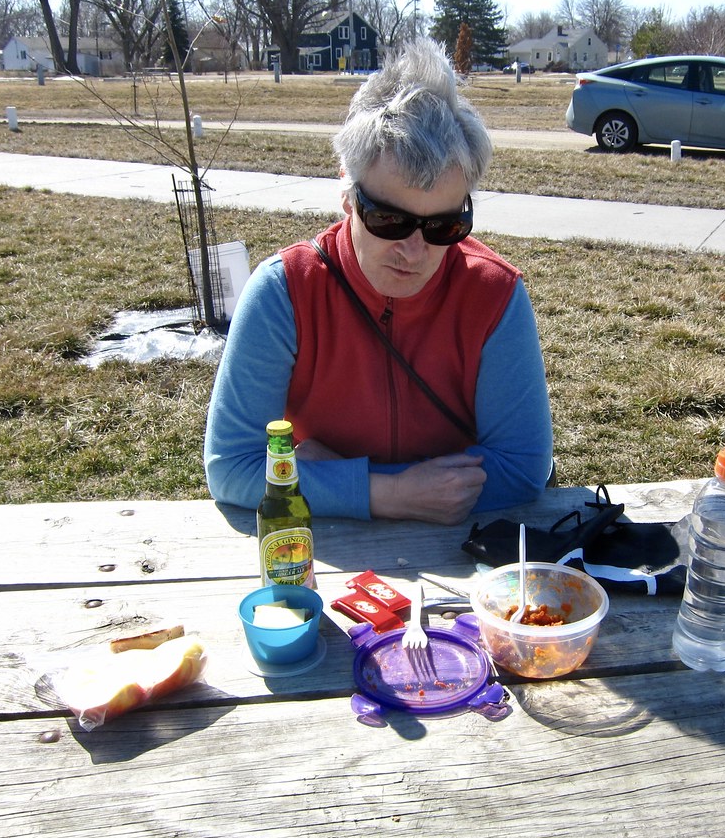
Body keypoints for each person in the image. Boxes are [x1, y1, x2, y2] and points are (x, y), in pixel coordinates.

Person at [203, 38, 554, 525]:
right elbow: (230, 467)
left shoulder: (495, 296)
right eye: (389, 221)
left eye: (443, 227)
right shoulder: (284, 292)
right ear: (347, 195)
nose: (414, 251)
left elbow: (522, 469)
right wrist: (387, 493)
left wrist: (330, 475)